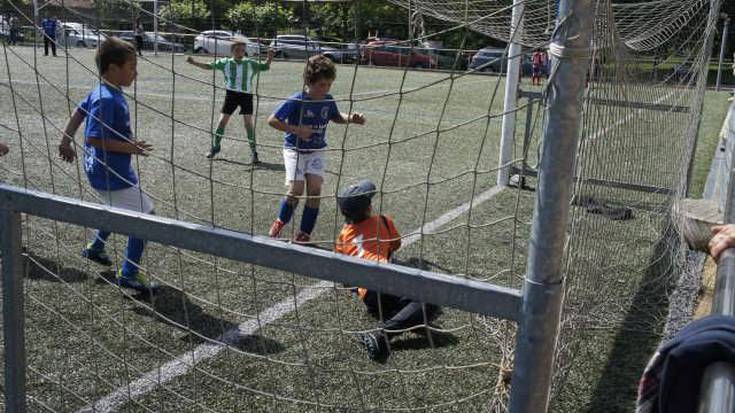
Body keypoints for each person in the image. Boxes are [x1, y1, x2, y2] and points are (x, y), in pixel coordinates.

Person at [58, 37, 158, 293]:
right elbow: (94, 136)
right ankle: (129, 274)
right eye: (131, 67)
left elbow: (79, 113)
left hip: (105, 168)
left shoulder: (102, 91)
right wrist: (131, 148)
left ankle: (96, 246)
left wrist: (65, 141)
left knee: (116, 208)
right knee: (146, 216)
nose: (135, 72)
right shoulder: (107, 99)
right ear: (113, 68)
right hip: (109, 171)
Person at [334, 179, 440, 361]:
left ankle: (401, 315)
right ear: (368, 208)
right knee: (430, 300)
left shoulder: (343, 235)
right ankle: (381, 335)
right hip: (384, 279)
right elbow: (395, 245)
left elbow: (343, 274)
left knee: (413, 299)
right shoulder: (382, 220)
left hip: (368, 296)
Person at [267, 55, 365, 243]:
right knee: (296, 189)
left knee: (315, 189)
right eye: (321, 85)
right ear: (308, 81)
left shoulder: (327, 100)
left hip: (317, 150)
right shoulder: (297, 100)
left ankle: (304, 233)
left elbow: (336, 117)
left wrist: (351, 118)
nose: (325, 89)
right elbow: (272, 120)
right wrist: (296, 130)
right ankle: (281, 220)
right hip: (294, 149)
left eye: (329, 84)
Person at [187, 41, 274, 163]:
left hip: (246, 96)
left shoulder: (250, 63)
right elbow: (208, 66)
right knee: (222, 121)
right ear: (232, 51)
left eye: (243, 50)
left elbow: (265, 66)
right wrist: (194, 62)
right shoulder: (225, 63)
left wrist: (269, 57)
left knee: (248, 124)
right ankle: (215, 147)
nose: (240, 53)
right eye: (237, 50)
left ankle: (254, 152)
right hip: (231, 95)